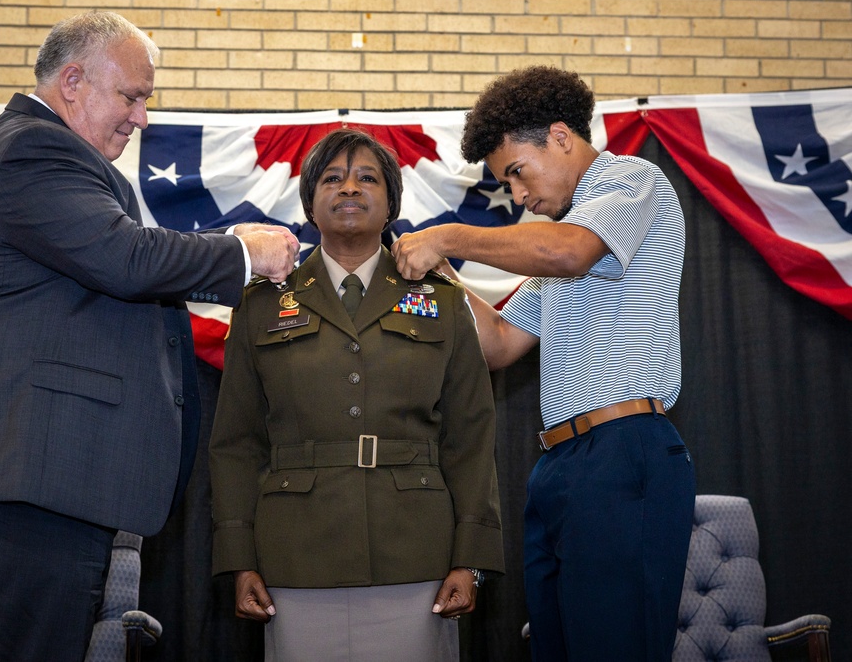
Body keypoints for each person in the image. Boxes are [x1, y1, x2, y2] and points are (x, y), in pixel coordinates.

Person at [0, 11, 299, 662]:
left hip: (37, 480)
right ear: (73, 82)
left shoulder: (53, 154)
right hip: (21, 477)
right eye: (132, 97)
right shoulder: (33, 148)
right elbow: (126, 258)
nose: (141, 117)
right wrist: (240, 252)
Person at [392, 66, 696, 661]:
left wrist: (448, 236)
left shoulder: (630, 181)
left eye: (517, 172)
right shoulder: (561, 244)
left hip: (623, 449)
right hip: (560, 464)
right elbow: (500, 344)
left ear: (560, 136)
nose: (519, 196)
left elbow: (571, 253)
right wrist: (440, 275)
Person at [208, 128, 505, 661]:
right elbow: (236, 442)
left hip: (417, 554)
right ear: (309, 205)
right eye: (332, 179)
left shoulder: (442, 299)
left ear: (391, 204)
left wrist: (471, 557)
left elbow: (471, 435)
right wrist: (239, 558)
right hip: (295, 556)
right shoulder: (260, 304)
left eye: (367, 178)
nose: (349, 188)